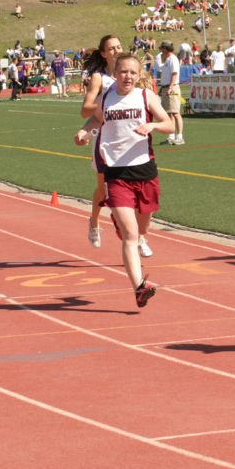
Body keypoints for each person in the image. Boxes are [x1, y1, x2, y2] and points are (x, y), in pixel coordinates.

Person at [91, 54, 174, 308]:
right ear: (115, 73)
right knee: (130, 234)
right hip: (116, 173)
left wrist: (153, 127)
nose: (128, 76)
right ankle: (139, 287)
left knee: (142, 228)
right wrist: (85, 131)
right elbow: (95, 118)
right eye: (123, 71)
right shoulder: (105, 98)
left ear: (139, 76)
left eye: (133, 73)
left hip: (145, 171)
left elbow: (169, 124)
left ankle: (135, 232)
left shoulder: (146, 97)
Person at [75, 35, 123, 250]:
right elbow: (86, 109)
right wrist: (86, 129)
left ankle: (138, 236)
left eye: (119, 47)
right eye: (111, 48)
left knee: (132, 188)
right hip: (105, 140)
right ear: (103, 54)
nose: (116, 51)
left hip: (130, 140)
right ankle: (94, 222)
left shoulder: (131, 74)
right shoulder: (99, 78)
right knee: (103, 191)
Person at [156, 41, 185, 145]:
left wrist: (170, 87)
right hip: (166, 88)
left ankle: (180, 137)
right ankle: (171, 136)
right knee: (169, 114)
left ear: (165, 49)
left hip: (171, 88)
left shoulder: (172, 59)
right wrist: (163, 88)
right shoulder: (168, 59)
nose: (160, 50)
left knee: (176, 113)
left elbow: (174, 74)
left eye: (161, 48)